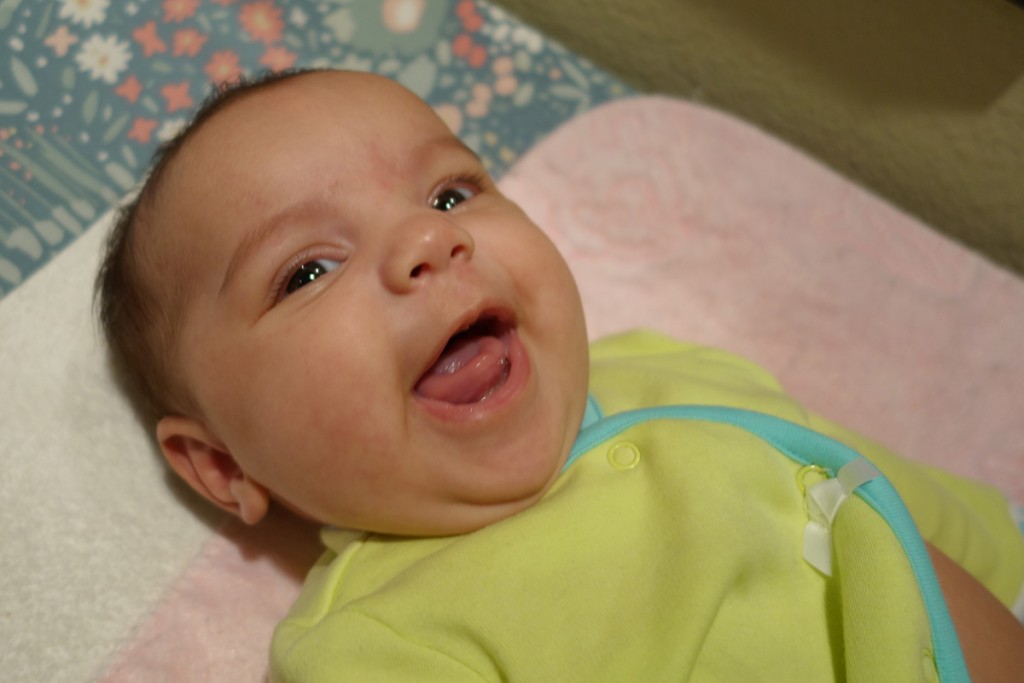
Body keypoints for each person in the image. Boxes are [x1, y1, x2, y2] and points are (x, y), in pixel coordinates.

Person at [96, 68, 1024, 682]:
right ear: (221, 466)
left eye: (452, 192)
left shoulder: (666, 361)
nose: (429, 237)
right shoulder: (381, 645)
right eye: (308, 269)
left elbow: (913, 503)